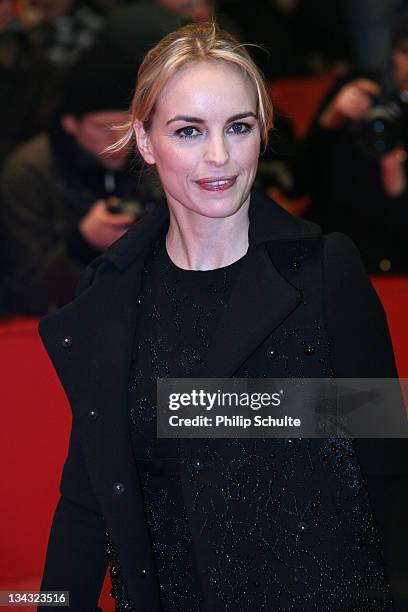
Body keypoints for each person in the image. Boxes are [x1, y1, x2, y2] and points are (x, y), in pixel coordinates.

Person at [38, 22, 408, 611]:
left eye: (238, 127)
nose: (220, 156)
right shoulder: (111, 293)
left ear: (261, 133)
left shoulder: (324, 274)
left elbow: (387, 475)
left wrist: (195, 407)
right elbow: (86, 499)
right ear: (146, 140)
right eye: (189, 131)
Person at [1, 39, 163, 315]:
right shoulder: (29, 173)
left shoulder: (151, 156)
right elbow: (23, 294)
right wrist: (82, 244)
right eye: (103, 128)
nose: (118, 141)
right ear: (71, 124)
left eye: (126, 125)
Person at [286, 11, 408, 274]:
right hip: (324, 253)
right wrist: (330, 121)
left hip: (393, 266)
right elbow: (296, 182)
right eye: (405, 52)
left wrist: (394, 173)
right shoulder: (360, 88)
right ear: (393, 53)